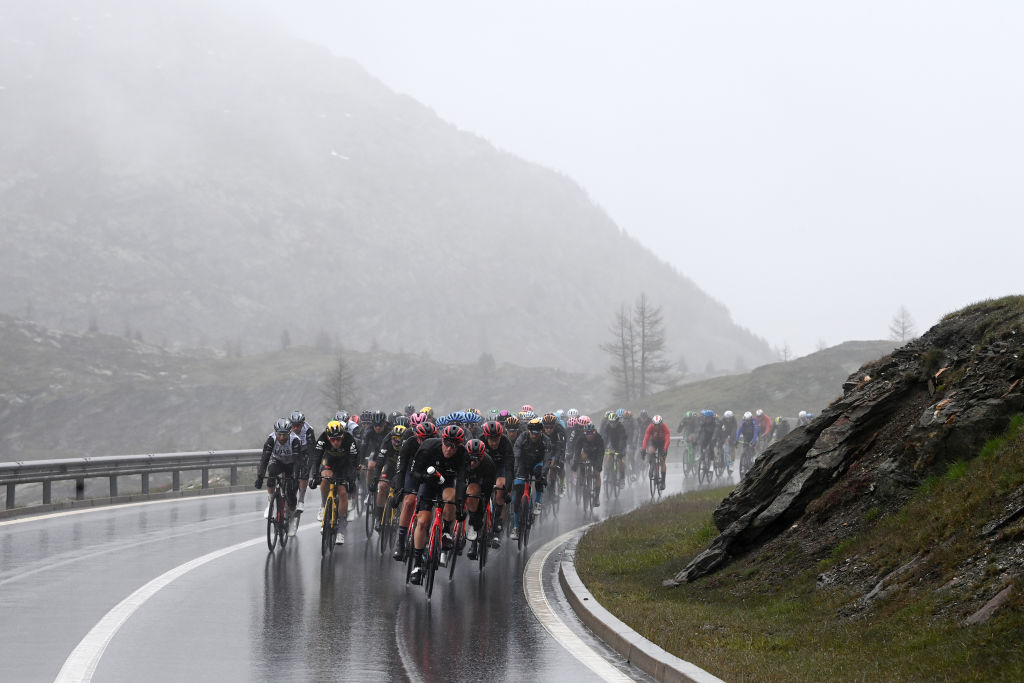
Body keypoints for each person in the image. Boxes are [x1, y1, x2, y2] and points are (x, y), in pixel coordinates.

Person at [408, 425, 468, 584]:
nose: (449, 449)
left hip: (447, 483)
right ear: (442, 440)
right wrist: (424, 478)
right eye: (447, 444)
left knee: (452, 497)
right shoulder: (428, 447)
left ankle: (446, 531)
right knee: (422, 522)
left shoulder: (462, 455)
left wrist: (460, 506)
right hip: (427, 482)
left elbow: (462, 481)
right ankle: (417, 564)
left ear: (459, 446)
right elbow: (414, 473)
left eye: (454, 446)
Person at [392, 420, 438, 561]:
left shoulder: (438, 445)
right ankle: (400, 543)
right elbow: (401, 468)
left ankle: (428, 538)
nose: (425, 442)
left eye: (429, 439)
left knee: (431, 508)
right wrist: (399, 489)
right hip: (412, 473)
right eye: (422, 439)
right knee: (408, 502)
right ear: (417, 437)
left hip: (430, 474)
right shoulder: (409, 444)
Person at [309, 420, 360, 545]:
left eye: (338, 439)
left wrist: (352, 480)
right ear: (328, 437)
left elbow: (353, 463)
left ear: (343, 436)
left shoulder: (349, 440)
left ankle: (341, 530)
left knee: (343, 492)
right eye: (332, 440)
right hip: (329, 461)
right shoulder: (322, 438)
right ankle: (323, 506)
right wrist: (314, 475)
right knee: (325, 479)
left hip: (345, 464)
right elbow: (316, 458)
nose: (336, 442)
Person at [256, 419, 302, 529]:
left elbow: (297, 461)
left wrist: (295, 477)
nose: (281, 437)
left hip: (291, 464)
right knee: (271, 473)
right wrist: (260, 476)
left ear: (289, 432)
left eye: (284, 434)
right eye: (279, 434)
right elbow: (264, 459)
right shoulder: (271, 439)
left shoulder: (295, 440)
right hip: (278, 461)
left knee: (291, 494)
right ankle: (270, 502)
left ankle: (291, 519)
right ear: (275, 432)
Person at [510, 418, 552, 539]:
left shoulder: (546, 440)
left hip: (538, 464)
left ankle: (538, 502)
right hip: (523, 463)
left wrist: (544, 475)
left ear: (540, 432)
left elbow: (548, 459)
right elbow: (516, 454)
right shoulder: (522, 437)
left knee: (539, 477)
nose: (534, 435)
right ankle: (516, 527)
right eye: (532, 432)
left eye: (537, 433)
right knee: (517, 494)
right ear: (529, 431)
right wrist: (515, 471)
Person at [463, 439, 496, 560]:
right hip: (467, 477)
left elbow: (486, 495)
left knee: (474, 498)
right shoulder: (461, 458)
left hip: (482, 480)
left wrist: (477, 517)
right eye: (469, 460)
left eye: (475, 460)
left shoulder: (489, 464)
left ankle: (474, 542)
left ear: (481, 458)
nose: (471, 463)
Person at [480, 420, 513, 537]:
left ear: (500, 437)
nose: (493, 443)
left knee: (500, 489)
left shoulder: (506, 442)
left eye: (496, 440)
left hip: (501, 467)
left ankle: (498, 518)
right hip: (484, 467)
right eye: (490, 440)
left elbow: (509, 469)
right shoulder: (480, 441)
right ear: (485, 437)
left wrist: (507, 489)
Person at [571, 421, 605, 507]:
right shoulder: (581, 437)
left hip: (596, 455)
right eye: (587, 433)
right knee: (581, 459)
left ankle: (596, 497)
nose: (589, 435)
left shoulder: (599, 438)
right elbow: (577, 450)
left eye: (591, 433)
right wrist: (575, 463)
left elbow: (601, 453)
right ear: (584, 432)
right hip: (587, 453)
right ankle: (582, 477)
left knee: (597, 474)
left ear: (594, 432)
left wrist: (599, 465)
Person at [288, 411, 315, 514]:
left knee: (304, 472)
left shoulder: (309, 430)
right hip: (291, 452)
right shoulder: (287, 429)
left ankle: (301, 500)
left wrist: (308, 468)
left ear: (302, 424)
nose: (295, 428)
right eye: (293, 426)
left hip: (305, 451)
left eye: (298, 426)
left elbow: (312, 452)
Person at [642, 414, 670, 490]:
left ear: (661, 423)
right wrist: (643, 449)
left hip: (662, 443)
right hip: (653, 441)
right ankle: (651, 465)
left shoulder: (664, 427)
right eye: (655, 425)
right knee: (650, 451)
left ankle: (663, 481)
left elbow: (667, 439)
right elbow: (646, 438)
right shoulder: (650, 427)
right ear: (653, 424)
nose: (657, 426)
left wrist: (665, 449)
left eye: (658, 425)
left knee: (662, 460)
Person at [541, 413, 567, 492]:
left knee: (559, 466)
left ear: (554, 426)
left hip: (557, 449)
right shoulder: (540, 430)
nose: (548, 429)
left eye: (551, 427)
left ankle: (562, 484)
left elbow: (561, 448)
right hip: (546, 450)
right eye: (546, 427)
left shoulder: (559, 430)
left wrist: (556, 460)